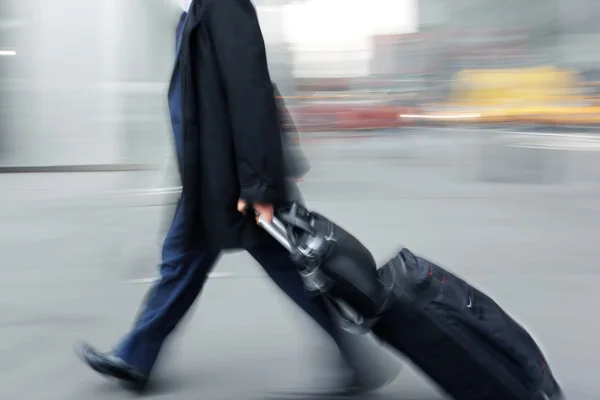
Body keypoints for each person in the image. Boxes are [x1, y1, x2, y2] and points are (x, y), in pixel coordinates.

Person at [75, 0, 398, 395]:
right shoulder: (200, 10)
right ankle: (136, 357)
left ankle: (355, 362)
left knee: (284, 268)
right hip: (210, 177)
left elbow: (251, 93)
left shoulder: (224, 6)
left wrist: (259, 186)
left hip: (233, 181)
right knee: (182, 264)